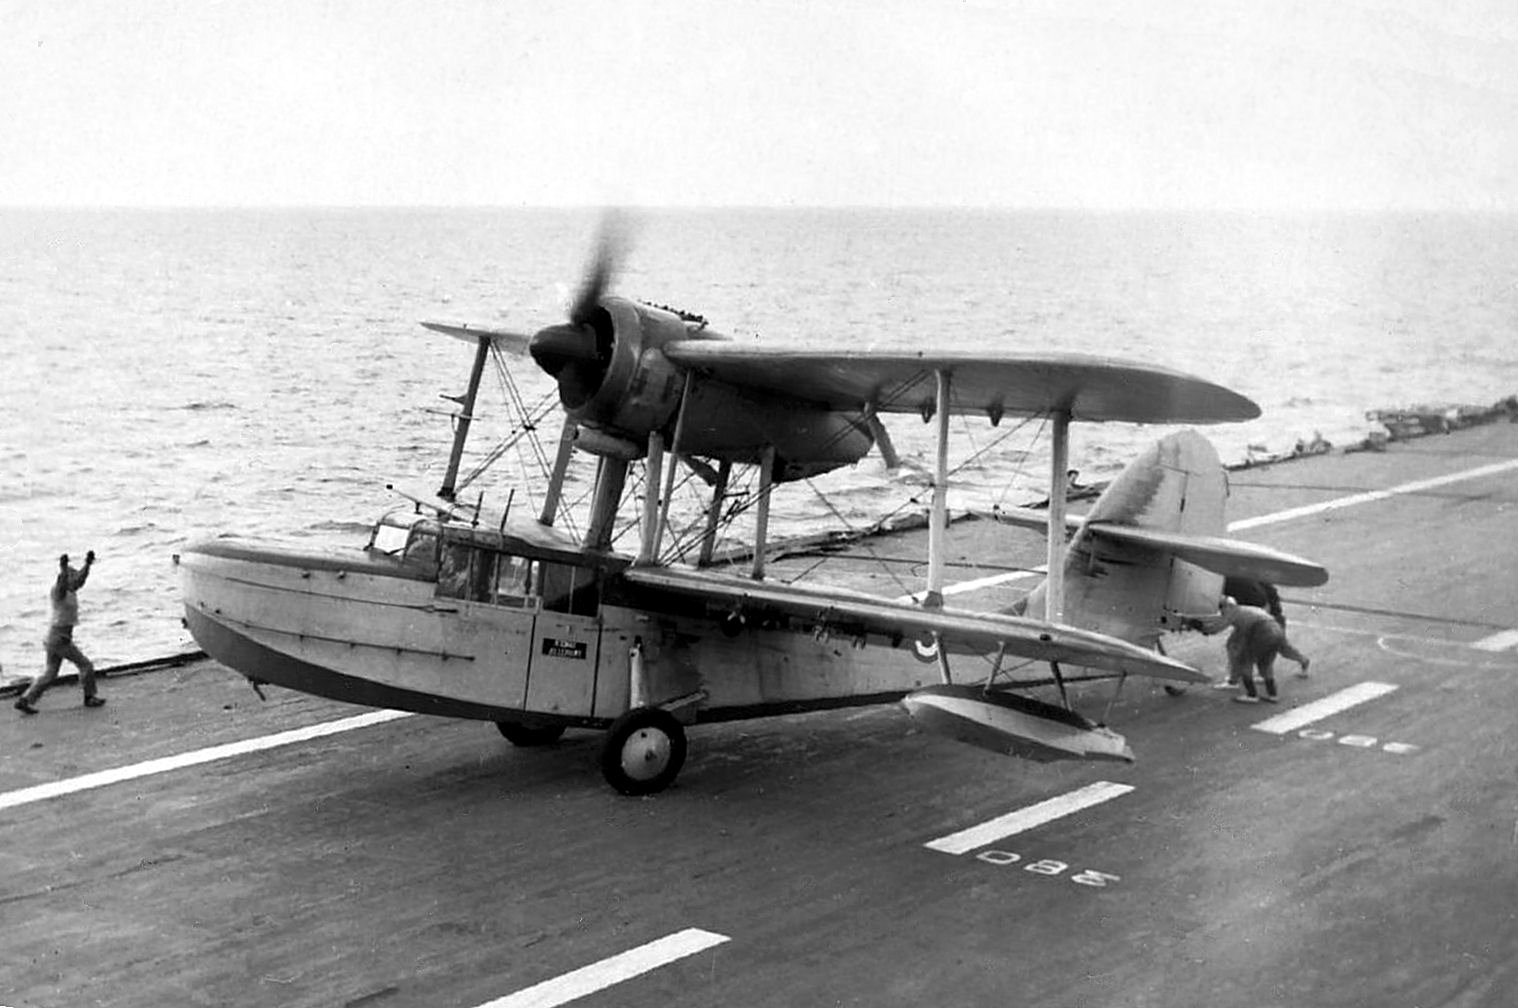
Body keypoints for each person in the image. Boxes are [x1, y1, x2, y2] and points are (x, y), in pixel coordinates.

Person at [15, 551, 104, 714]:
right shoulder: (58, 592)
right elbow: (64, 582)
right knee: (85, 665)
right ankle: (89, 697)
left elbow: (80, 580)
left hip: (54, 637)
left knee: (50, 673)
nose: (76, 581)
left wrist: (88, 564)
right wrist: (63, 568)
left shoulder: (70, 591)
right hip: (60, 638)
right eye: (72, 577)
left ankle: (25, 699)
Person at [1199, 595, 1310, 704]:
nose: (1220, 610)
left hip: (1261, 632)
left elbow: (1215, 628)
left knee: (1244, 661)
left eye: (1221, 607)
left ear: (1227, 606)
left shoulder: (1232, 612)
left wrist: (1199, 626)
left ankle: (1251, 694)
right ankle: (1273, 694)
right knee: (1267, 662)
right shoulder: (1246, 610)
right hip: (1275, 627)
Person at [1210, 577, 1311, 688]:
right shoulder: (1253, 579)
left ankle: (1234, 680)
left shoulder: (1232, 583)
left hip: (1262, 623)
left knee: (1236, 646)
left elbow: (1252, 606)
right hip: (1272, 619)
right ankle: (1302, 660)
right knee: (1282, 647)